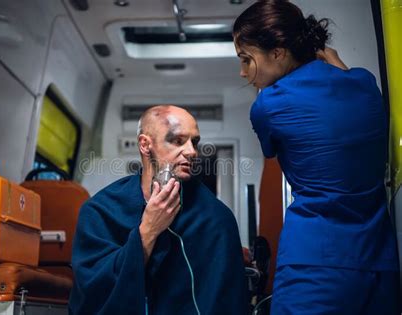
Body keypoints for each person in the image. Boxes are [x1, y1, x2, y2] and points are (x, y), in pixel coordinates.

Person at [233, 1, 399, 314]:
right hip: (379, 261)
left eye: (246, 59)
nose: (243, 72)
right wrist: (341, 71)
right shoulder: (364, 84)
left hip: (316, 263)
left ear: (278, 52)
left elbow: (272, 151)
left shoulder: (268, 106)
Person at [68, 105, 248, 315]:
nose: (191, 151)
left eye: (194, 142)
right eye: (178, 141)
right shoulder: (100, 211)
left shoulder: (217, 219)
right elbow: (92, 293)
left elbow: (228, 301)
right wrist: (148, 232)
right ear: (145, 145)